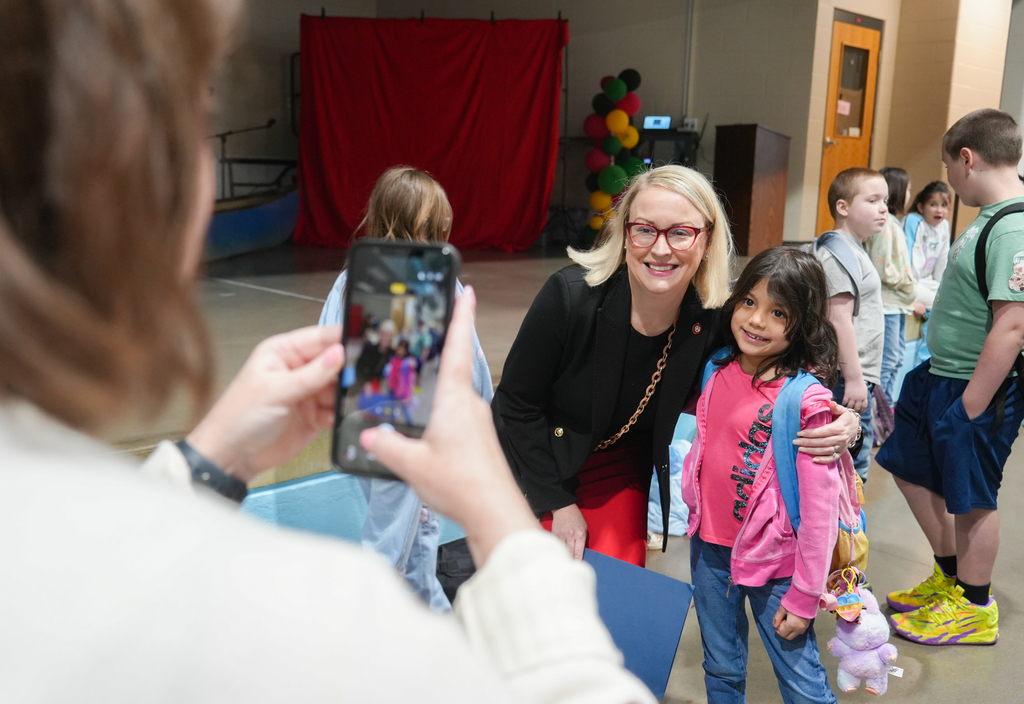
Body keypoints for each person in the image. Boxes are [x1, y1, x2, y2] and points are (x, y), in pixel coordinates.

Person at [0, 1, 659, 700]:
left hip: (395, 435)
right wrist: (502, 511)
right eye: (199, 122)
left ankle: (427, 603)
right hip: (395, 441)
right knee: (395, 543)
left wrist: (203, 465)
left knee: (413, 541)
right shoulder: (313, 620)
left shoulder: (67, 554)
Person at [493, 165, 860, 567]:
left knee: (615, 586)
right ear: (625, 232)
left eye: (680, 232)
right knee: (541, 585)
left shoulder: (715, 317)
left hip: (618, 469)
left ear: (707, 240)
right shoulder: (570, 296)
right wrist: (557, 503)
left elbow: (782, 376)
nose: (661, 249)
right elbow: (515, 405)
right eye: (645, 229)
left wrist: (843, 421)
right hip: (538, 457)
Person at [877, 108, 1024, 646]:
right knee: (906, 466)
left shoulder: (1014, 225)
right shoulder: (989, 216)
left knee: (972, 497)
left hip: (973, 388)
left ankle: (976, 607)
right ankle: (951, 577)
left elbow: (1013, 326)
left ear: (967, 158)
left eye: (949, 167)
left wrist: (971, 407)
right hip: (938, 375)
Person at [319, 165, 492, 613]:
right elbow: (469, 361)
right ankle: (368, 623)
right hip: (410, 434)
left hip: (361, 430)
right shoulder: (438, 283)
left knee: (417, 542)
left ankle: (433, 627)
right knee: (392, 545)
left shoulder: (351, 279)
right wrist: (483, 414)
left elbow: (327, 346)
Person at [682, 247, 841, 704]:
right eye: (749, 302)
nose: (755, 321)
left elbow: (818, 514)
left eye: (778, 313)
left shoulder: (804, 403)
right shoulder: (717, 368)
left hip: (777, 567)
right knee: (721, 666)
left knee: (800, 679)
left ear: (804, 323)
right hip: (710, 550)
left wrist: (806, 594)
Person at [814, 168, 887, 483]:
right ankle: (843, 530)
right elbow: (837, 318)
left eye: (885, 200)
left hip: (856, 375)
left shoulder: (854, 249)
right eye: (873, 200)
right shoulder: (838, 253)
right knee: (851, 469)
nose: (883, 207)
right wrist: (855, 378)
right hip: (846, 377)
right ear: (843, 207)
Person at [864, 167, 917, 406]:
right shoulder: (886, 226)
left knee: (896, 360)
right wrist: (908, 285)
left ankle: (887, 412)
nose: (909, 194)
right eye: (907, 189)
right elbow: (883, 267)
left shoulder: (895, 223)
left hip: (898, 303)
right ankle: (878, 416)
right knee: (887, 362)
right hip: (888, 304)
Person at [903, 181, 952, 364]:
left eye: (944, 205)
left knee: (949, 298)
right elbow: (908, 263)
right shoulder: (913, 222)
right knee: (941, 304)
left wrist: (943, 287)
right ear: (921, 206)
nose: (939, 210)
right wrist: (910, 298)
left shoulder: (944, 226)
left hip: (928, 282)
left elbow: (942, 262)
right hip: (911, 282)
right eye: (933, 205)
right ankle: (924, 360)